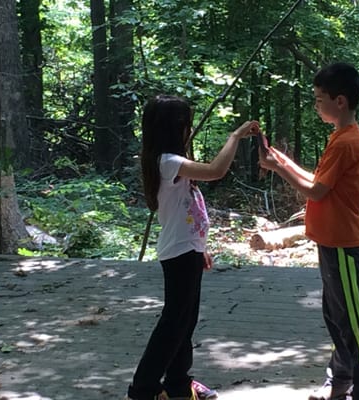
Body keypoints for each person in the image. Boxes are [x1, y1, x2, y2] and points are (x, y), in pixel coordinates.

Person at [259, 63, 359, 400]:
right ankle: (340, 382)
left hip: (342, 242)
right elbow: (317, 180)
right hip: (329, 242)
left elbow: (315, 192)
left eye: (319, 99)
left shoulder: (346, 141)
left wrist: (278, 170)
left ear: (339, 101)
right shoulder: (340, 136)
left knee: (354, 320)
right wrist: (281, 162)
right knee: (336, 316)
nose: (316, 104)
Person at [124, 94, 259, 400]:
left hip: (188, 251)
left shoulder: (171, 162)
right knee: (173, 324)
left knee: (185, 322)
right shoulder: (168, 162)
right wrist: (235, 136)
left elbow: (187, 211)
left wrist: (200, 247)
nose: (189, 130)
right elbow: (216, 171)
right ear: (174, 129)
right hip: (178, 254)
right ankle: (142, 389)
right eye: (186, 124)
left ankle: (178, 384)